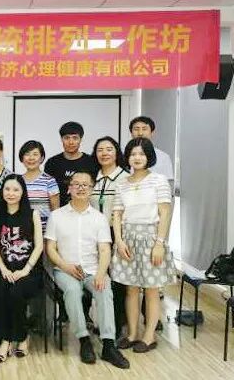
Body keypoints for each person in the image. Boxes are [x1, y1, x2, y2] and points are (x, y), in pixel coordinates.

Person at [45, 171, 130, 369]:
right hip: (65, 270)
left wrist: (101, 274)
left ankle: (108, 344)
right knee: (73, 291)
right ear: (69, 188)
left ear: (92, 190)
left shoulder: (99, 218)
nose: (81, 188)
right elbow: (50, 249)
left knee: (105, 290)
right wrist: (66, 266)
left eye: (86, 185)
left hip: (93, 270)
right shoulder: (56, 216)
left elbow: (105, 250)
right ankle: (84, 340)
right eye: (76, 184)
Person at [111, 137, 177, 353]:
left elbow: (165, 213)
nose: (137, 158)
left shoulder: (158, 180)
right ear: (127, 157)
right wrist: (119, 240)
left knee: (151, 290)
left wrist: (159, 243)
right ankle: (132, 334)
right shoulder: (121, 184)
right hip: (127, 239)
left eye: (141, 154)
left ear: (149, 157)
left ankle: (149, 336)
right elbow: (117, 214)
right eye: (133, 154)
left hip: (151, 238)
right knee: (130, 289)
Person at [0, 174, 43, 363]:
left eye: (15, 189)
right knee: (0, 288)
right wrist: (4, 270)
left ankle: (19, 337)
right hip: (5, 269)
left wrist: (26, 270)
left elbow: (39, 246)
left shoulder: (33, 214)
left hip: (29, 271)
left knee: (16, 292)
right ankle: (7, 340)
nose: (11, 193)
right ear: (2, 192)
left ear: (22, 192)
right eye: (7, 189)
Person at [90, 136, 129, 336]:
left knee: (118, 280)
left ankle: (117, 324)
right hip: (95, 235)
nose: (104, 153)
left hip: (117, 234)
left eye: (109, 149)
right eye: (100, 150)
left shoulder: (125, 178)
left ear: (116, 152)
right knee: (100, 278)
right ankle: (101, 321)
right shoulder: (93, 178)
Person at [45, 121, 97, 206]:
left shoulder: (91, 162)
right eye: (67, 138)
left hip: (85, 209)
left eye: (75, 138)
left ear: (81, 139)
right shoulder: (52, 163)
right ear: (61, 139)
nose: (71, 142)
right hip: (59, 210)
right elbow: (48, 191)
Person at [19, 140, 59, 232]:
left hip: (45, 232)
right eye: (27, 154)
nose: (31, 158)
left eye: (35, 154)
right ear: (22, 158)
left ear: (41, 158)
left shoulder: (50, 181)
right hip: (22, 232)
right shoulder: (18, 181)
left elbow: (56, 211)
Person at [129, 116, 174, 189]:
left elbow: (167, 186)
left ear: (152, 132)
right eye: (136, 129)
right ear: (131, 133)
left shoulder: (163, 157)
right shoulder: (124, 155)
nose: (140, 133)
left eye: (144, 129)